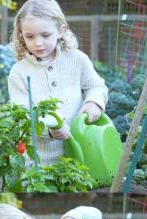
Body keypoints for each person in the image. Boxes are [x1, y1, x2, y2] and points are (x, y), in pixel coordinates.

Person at [8, 0, 108, 165]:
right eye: (29, 36)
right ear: (21, 35)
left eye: (45, 35)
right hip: (38, 162)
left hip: (80, 156)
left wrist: (93, 103)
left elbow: (96, 86)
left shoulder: (77, 59)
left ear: (61, 31)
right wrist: (49, 131)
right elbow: (22, 115)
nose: (38, 43)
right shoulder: (18, 72)